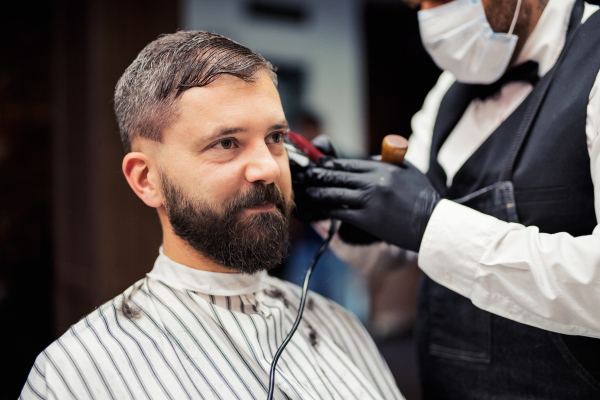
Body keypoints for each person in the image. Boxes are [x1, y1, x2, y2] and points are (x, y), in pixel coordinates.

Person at [19, 31, 403, 400]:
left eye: (275, 138)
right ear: (146, 179)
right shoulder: (76, 374)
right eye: (226, 143)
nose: (268, 169)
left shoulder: (339, 326)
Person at [298, 0, 600, 398]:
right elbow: (401, 246)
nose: (430, 18)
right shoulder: (448, 90)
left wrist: (430, 221)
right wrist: (344, 210)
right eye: (417, 4)